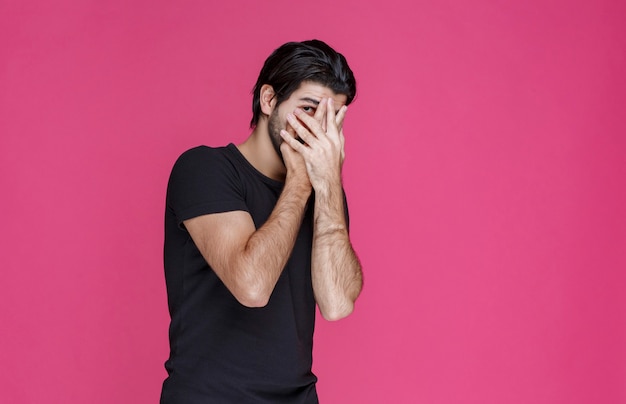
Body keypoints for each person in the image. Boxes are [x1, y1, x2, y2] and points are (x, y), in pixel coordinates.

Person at [160, 39, 363, 403]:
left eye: (331, 118)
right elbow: (251, 286)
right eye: (308, 109)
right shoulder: (205, 169)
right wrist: (301, 180)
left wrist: (329, 182)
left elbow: (336, 305)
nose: (318, 130)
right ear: (269, 100)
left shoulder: (324, 192)